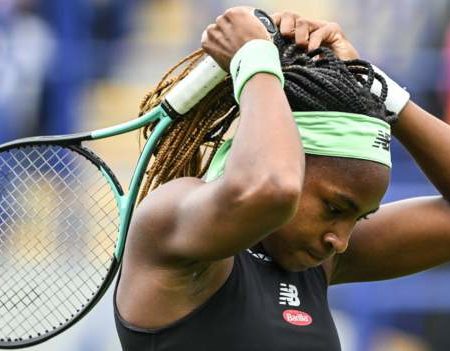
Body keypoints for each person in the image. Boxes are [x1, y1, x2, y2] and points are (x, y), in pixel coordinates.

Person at [114, 7, 450, 351]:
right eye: (335, 208)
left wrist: (376, 86)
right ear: (291, 157)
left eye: (358, 218)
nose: (342, 240)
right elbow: (273, 188)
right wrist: (254, 57)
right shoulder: (171, 219)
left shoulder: (317, 258)